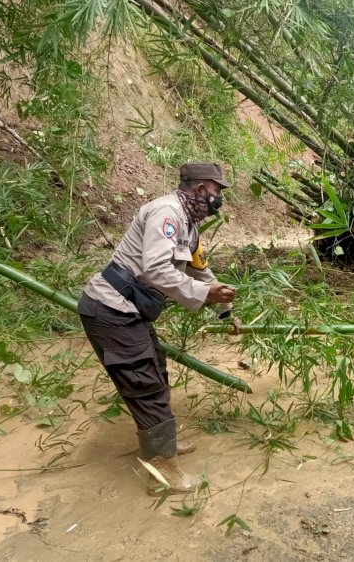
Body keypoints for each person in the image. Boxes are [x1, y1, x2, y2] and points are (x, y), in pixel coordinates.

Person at [77, 162, 236, 495]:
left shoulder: (190, 227)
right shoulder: (166, 214)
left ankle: (163, 444)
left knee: (156, 373)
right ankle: (162, 473)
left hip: (130, 312)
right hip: (111, 310)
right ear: (201, 188)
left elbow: (200, 272)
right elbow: (156, 269)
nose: (218, 201)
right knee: (144, 384)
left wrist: (225, 310)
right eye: (217, 193)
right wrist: (205, 295)